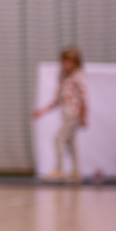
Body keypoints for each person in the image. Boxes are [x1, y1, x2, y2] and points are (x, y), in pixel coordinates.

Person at [34, 46, 88, 182]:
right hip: (66, 114)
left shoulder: (78, 77)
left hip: (73, 115)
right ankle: (76, 172)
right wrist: (42, 111)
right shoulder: (63, 78)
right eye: (63, 61)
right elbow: (57, 100)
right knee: (71, 142)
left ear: (75, 63)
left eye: (68, 61)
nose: (65, 64)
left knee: (59, 138)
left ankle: (59, 169)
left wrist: (84, 116)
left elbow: (84, 98)